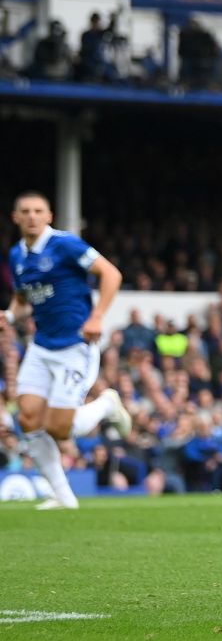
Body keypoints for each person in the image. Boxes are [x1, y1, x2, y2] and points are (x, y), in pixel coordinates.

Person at [3, 191, 131, 510]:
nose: (32, 216)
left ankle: (106, 404)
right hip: (41, 345)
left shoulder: (65, 245)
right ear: (15, 218)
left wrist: (97, 315)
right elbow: (23, 300)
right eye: (26, 211)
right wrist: (7, 315)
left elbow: (111, 274)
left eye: (38, 211)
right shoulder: (17, 255)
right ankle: (63, 497)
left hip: (75, 345)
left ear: (49, 216)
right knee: (29, 417)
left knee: (61, 428)